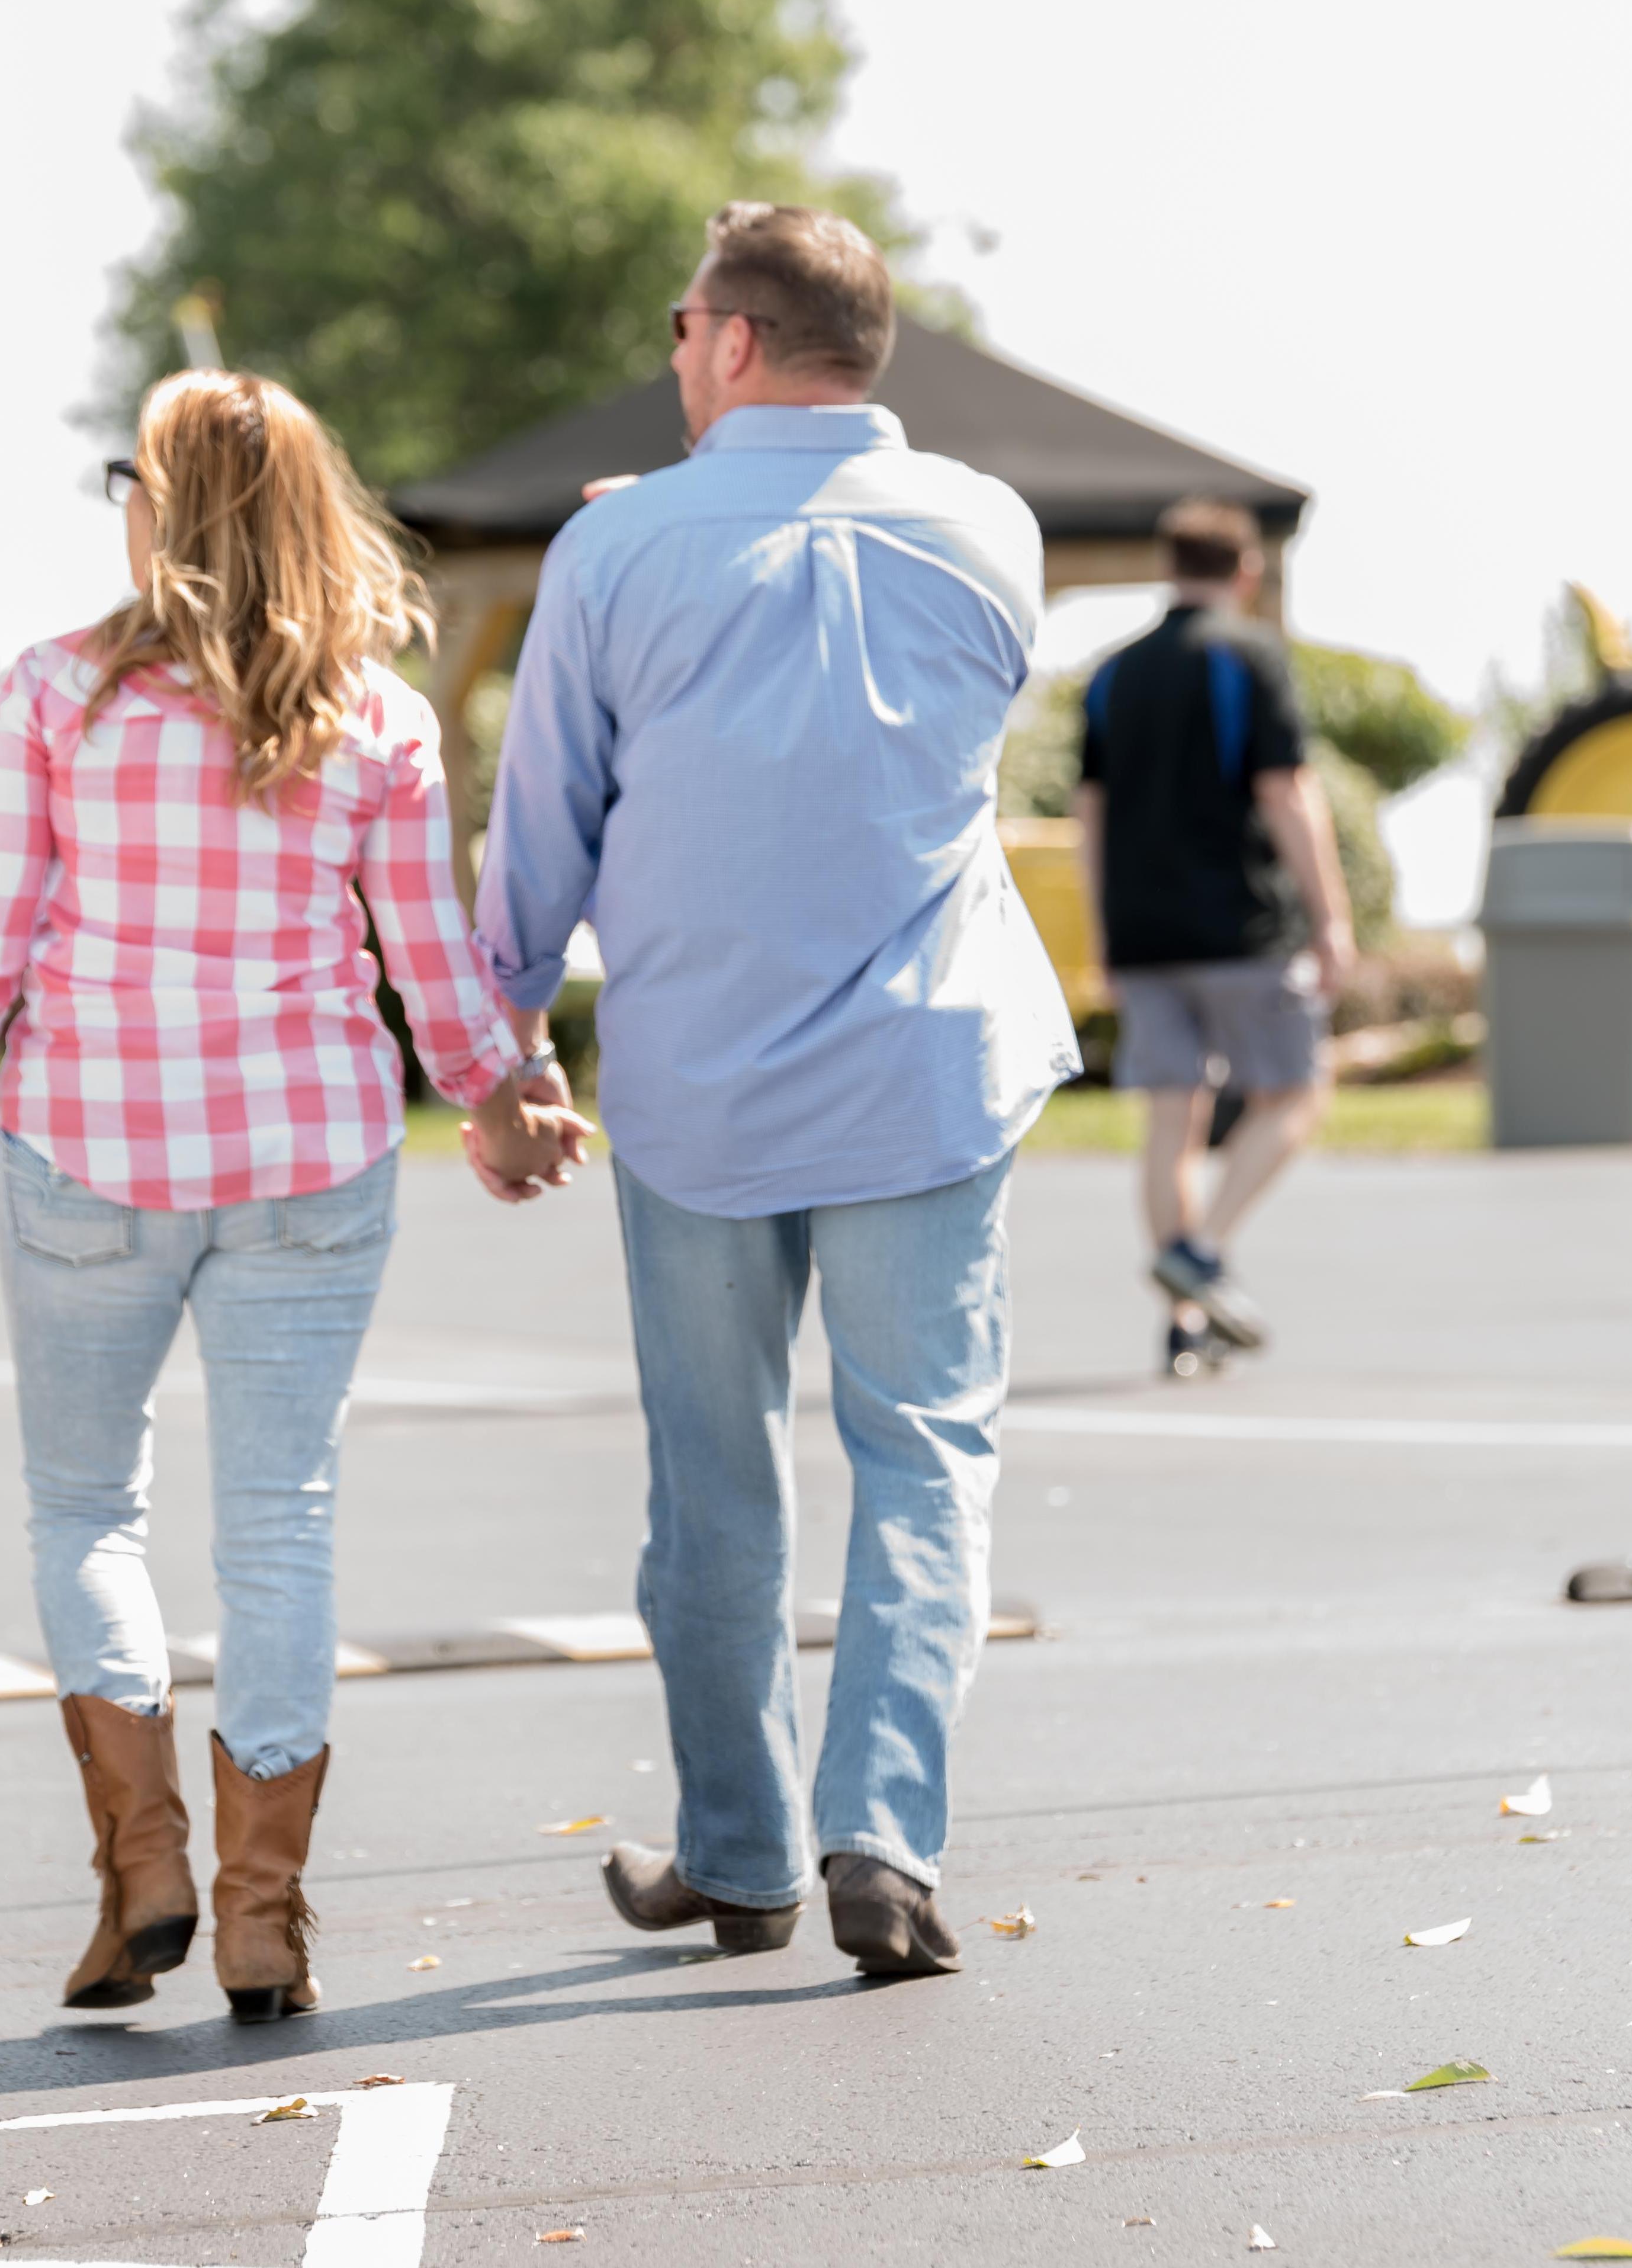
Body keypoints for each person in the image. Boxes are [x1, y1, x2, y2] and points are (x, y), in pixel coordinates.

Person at [0, 371, 587, 2025]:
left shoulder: (55, 695)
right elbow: (432, 974)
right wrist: (506, 1110)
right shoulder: (376, 716)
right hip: (310, 1164)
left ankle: (148, 1868)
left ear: (162, 509)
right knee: (282, 1522)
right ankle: (265, 1916)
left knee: (86, 1508)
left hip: (87, 1156)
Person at [468, 202, 1078, 1977]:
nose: (671, 358)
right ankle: (881, 1831)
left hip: (701, 1086)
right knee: (927, 1461)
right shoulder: (990, 531)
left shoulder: (614, 555)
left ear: (732, 341)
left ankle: (738, 1855)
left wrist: (502, 1055)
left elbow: (543, 837)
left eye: (678, 328)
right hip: (926, 1070)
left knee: (715, 1481)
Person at [1071, 499, 1353, 1372]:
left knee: (1172, 1121)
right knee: (1296, 1094)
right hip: (1240, 930)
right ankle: (1201, 1252)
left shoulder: (1113, 675)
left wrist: (1104, 931)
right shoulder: (1249, 654)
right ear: (1247, 570)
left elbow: (1090, 811)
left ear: (1166, 563)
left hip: (1144, 933)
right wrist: (1331, 915)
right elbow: (1285, 791)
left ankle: (1183, 1326)